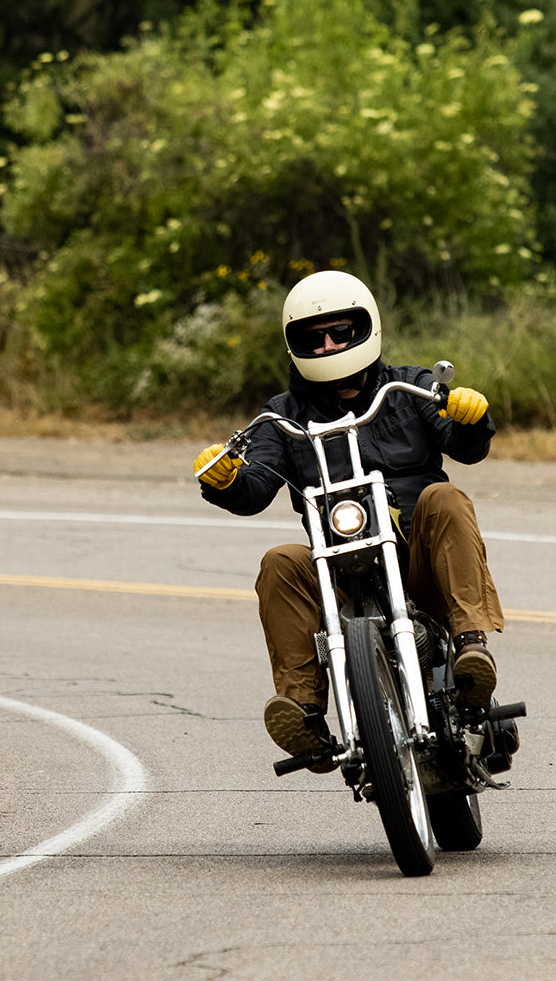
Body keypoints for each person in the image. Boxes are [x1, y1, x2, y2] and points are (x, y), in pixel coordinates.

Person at [193, 269, 505, 769]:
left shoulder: (410, 387)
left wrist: (471, 417)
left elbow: (466, 447)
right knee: (279, 560)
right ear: (294, 344)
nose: (329, 344)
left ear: (366, 328)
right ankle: (304, 713)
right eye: (313, 338)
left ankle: (471, 648)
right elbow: (255, 490)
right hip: (339, 575)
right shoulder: (282, 415)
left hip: (423, 565)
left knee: (444, 497)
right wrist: (224, 479)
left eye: (341, 331)